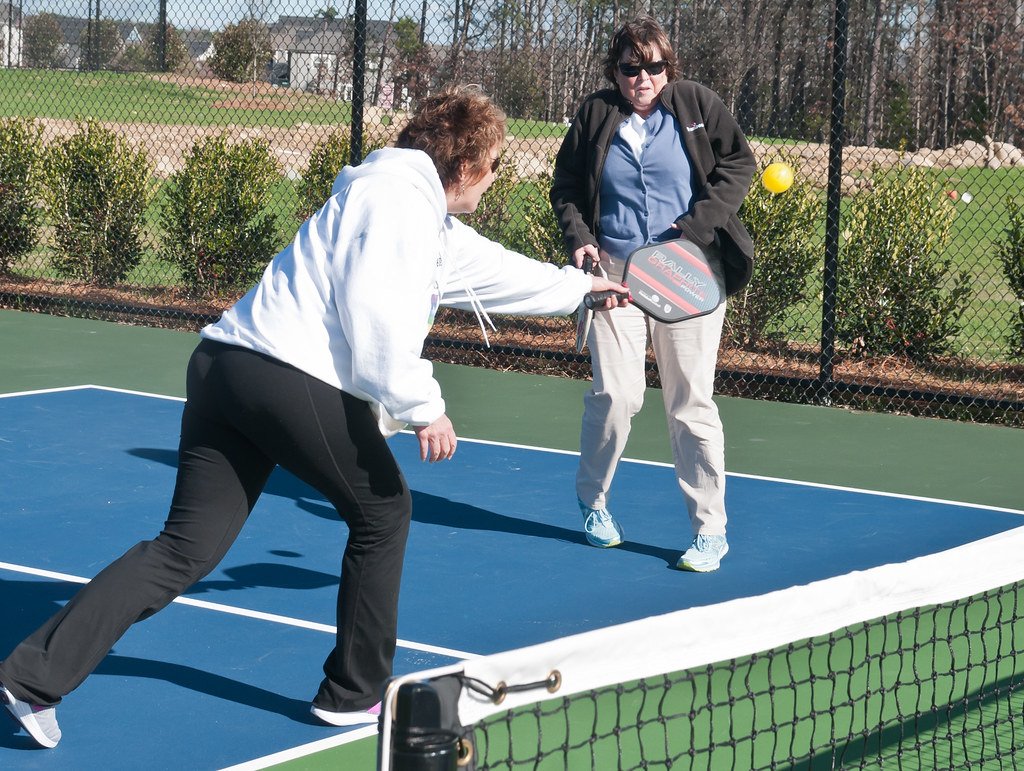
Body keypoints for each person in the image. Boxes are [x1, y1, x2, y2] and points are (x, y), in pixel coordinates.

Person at [0, 86, 628, 749]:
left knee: (183, 548)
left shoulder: (417, 211)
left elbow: (494, 273)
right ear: (465, 166)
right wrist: (425, 408)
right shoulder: (398, 206)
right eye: (494, 165)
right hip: (279, 374)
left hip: (224, 366)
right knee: (383, 510)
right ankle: (352, 694)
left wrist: (584, 289)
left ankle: (31, 675)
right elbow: (376, 318)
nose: (495, 180)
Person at [550, 16, 756, 571]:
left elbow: (739, 163)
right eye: (630, 67)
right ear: (615, 71)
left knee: (691, 402)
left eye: (654, 66)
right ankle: (592, 500)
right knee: (617, 396)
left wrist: (693, 230)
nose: (643, 77)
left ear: (670, 67)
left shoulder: (695, 104)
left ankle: (710, 531)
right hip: (614, 271)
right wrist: (582, 240)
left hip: (686, 273)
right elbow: (567, 186)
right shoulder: (596, 114)